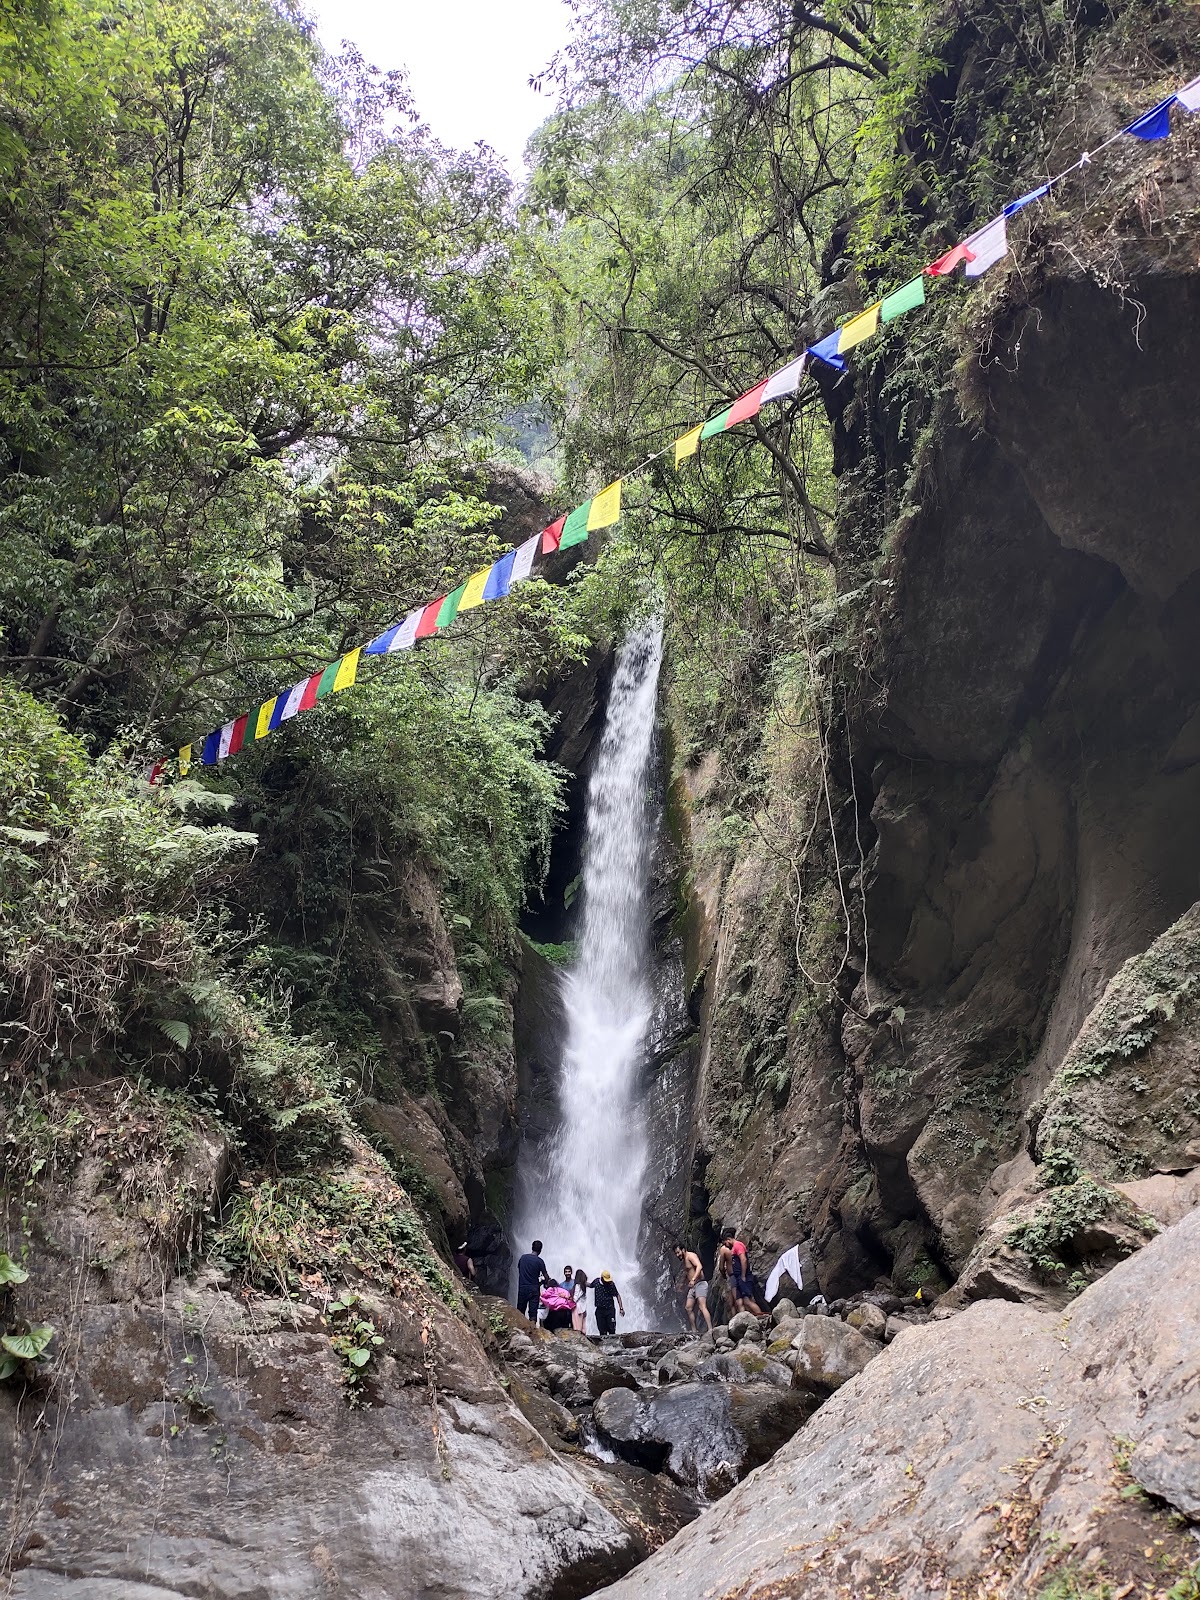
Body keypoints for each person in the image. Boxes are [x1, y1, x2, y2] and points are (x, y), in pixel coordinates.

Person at [720, 1227, 765, 1316]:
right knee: (743, 1301)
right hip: (738, 1277)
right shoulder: (733, 1248)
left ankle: (762, 1317)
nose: (725, 1245)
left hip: (743, 1276)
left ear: (728, 1239)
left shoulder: (738, 1245)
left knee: (747, 1301)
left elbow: (743, 1260)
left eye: (725, 1243)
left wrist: (743, 1275)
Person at [673, 1243, 712, 1333]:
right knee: (688, 1307)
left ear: (683, 1249)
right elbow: (688, 1273)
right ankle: (694, 1331)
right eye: (676, 1253)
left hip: (700, 1283)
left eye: (678, 1252)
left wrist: (693, 1279)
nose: (677, 1255)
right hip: (693, 1287)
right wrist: (682, 1285)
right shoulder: (684, 1260)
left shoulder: (691, 1256)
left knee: (702, 1306)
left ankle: (710, 1329)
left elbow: (699, 1266)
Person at [515, 1239, 549, 1321]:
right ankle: (533, 1330)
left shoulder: (523, 1258)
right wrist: (543, 1282)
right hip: (534, 1289)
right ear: (540, 1250)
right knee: (533, 1313)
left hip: (523, 1288)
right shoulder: (540, 1261)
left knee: (520, 1311)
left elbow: (520, 1269)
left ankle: (519, 1328)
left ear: (532, 1247)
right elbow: (546, 1277)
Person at [592, 1270, 624, 1337]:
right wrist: (581, 1281)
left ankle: (613, 1346)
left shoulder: (611, 1284)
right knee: (602, 1331)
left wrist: (621, 1308)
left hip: (610, 1310)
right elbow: (590, 1285)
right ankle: (604, 1346)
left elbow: (617, 1295)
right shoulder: (596, 1282)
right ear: (601, 1278)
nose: (607, 1282)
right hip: (600, 1310)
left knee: (612, 1329)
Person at [571, 1268, 589, 1334]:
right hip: (583, 1308)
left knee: (577, 1327)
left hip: (577, 1308)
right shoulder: (583, 1287)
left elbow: (575, 1298)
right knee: (583, 1326)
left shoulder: (578, 1286)